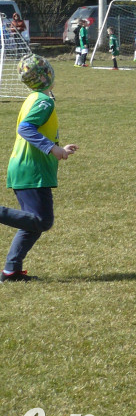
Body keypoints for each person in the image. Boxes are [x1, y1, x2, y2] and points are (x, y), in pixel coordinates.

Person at [0, 55, 78, 282]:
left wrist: (59, 147)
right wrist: (52, 149)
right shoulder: (44, 101)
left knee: (31, 223)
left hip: (23, 167)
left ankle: (11, 271)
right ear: (48, 75)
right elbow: (26, 129)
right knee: (42, 221)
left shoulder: (32, 98)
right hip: (32, 170)